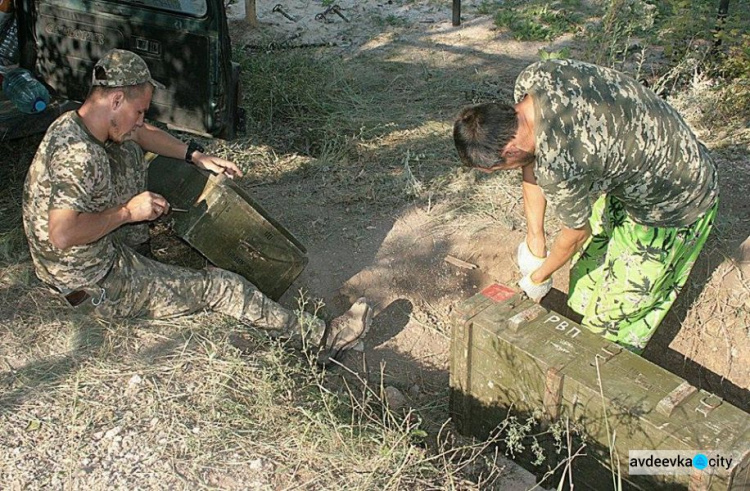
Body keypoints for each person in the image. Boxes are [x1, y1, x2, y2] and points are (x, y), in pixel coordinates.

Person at [22, 49, 372, 364]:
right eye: (140, 110)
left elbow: (141, 135)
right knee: (222, 287)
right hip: (92, 285)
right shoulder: (80, 156)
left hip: (77, 263)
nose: (142, 120)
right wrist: (129, 212)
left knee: (129, 145)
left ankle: (141, 251)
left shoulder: (75, 122)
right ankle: (324, 339)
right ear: (115, 99)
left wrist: (196, 155)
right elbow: (63, 233)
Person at [453, 59, 718, 354]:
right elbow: (530, 162)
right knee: (585, 285)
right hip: (641, 168)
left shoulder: (561, 163)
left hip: (675, 200)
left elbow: (577, 233)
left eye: (501, 168)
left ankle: (605, 373)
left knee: (610, 324)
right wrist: (535, 238)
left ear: (510, 150)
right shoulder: (534, 80)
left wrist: (536, 280)